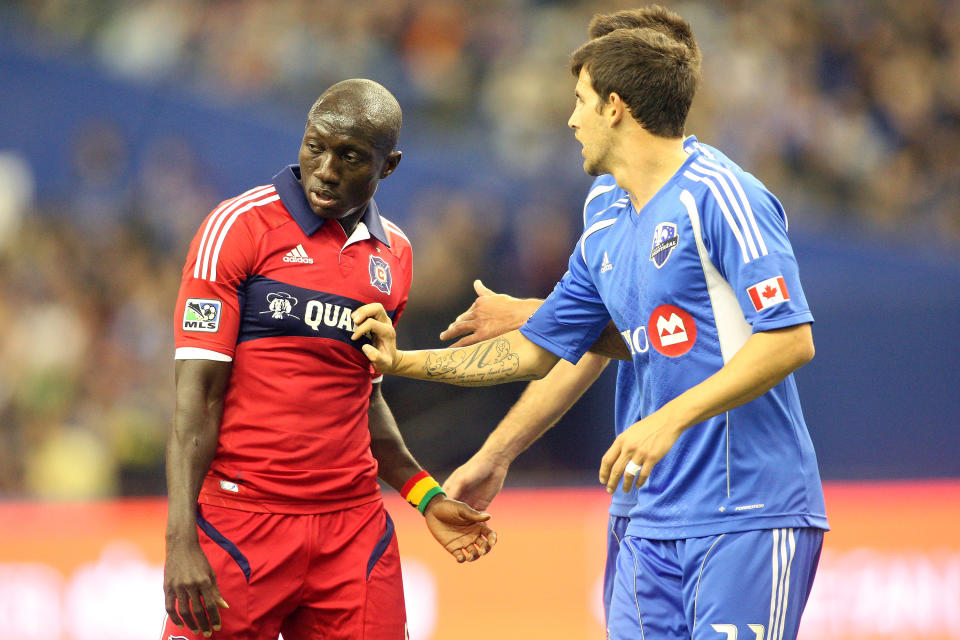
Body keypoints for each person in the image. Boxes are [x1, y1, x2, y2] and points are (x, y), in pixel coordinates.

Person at [352, 8, 828, 639]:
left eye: (578, 102)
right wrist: (405, 363)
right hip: (644, 518)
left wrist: (670, 418)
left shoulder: (721, 195)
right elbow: (544, 348)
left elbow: (790, 339)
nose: (570, 120)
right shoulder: (604, 209)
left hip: (746, 511)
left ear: (614, 107)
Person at [163, 78, 495, 640]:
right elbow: (196, 397)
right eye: (315, 147)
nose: (326, 169)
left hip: (352, 532)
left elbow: (363, 395)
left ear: (387, 167)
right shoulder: (238, 227)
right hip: (244, 524)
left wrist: (426, 495)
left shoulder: (395, 255)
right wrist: (179, 540)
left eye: (350, 157)